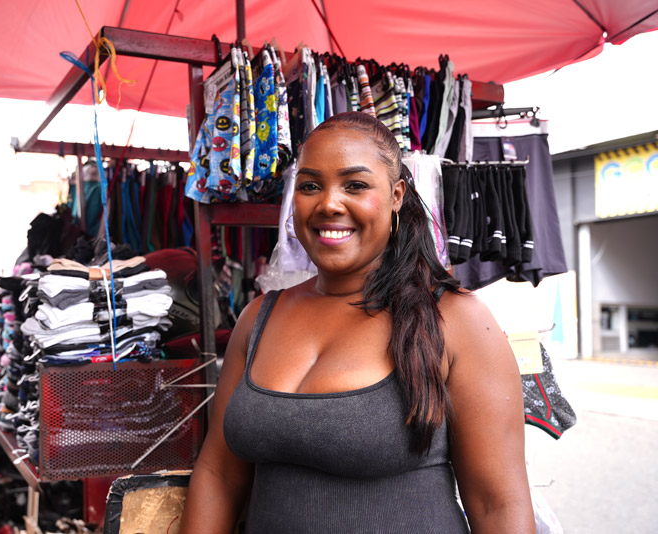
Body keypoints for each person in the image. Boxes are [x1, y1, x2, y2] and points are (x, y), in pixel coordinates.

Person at [180, 112, 535, 533]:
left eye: (355, 185)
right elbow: (218, 476)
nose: (329, 203)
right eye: (310, 185)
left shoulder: (454, 320)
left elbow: (499, 505)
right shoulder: (260, 316)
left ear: (397, 195)